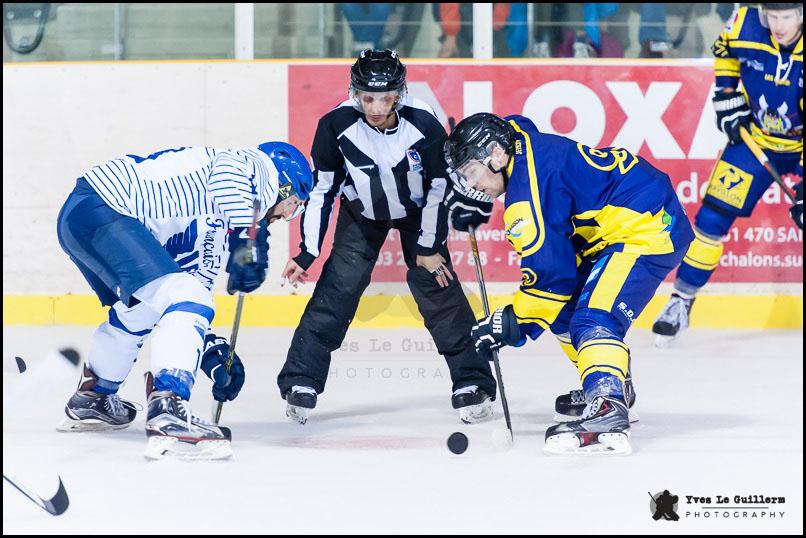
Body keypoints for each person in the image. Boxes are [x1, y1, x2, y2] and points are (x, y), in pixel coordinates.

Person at [444, 113, 694, 455]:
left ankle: (607, 406)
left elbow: (551, 279)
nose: (471, 184)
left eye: (471, 172)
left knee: (594, 318)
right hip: (624, 217)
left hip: (647, 226)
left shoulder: (526, 199)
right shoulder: (516, 140)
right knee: (564, 312)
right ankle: (608, 383)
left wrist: (511, 323)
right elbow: (519, 122)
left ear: (496, 154)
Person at [278, 49, 497, 425]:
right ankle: (301, 380)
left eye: (385, 98)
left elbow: (438, 187)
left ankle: (472, 381)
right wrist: (307, 252)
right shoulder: (334, 125)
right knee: (337, 289)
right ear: (355, 93)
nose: (376, 107)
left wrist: (428, 247)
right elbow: (323, 189)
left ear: (400, 93)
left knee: (439, 289)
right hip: (361, 215)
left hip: (417, 214)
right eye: (367, 98)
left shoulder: (424, 123)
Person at [56, 142, 313, 460]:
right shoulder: (257, 169)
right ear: (284, 184)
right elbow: (226, 173)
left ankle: (94, 396)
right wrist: (251, 239)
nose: (286, 215)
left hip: (83, 217)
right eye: (293, 204)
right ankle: (169, 410)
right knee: (183, 295)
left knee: (146, 307)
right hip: (106, 208)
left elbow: (185, 303)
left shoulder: (221, 218)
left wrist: (215, 354)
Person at [652, 3, 803, 346]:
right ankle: (681, 301)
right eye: (772, 16)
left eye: (786, 17)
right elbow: (724, 50)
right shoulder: (745, 23)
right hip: (756, 140)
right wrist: (726, 95)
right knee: (711, 218)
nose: (778, 25)